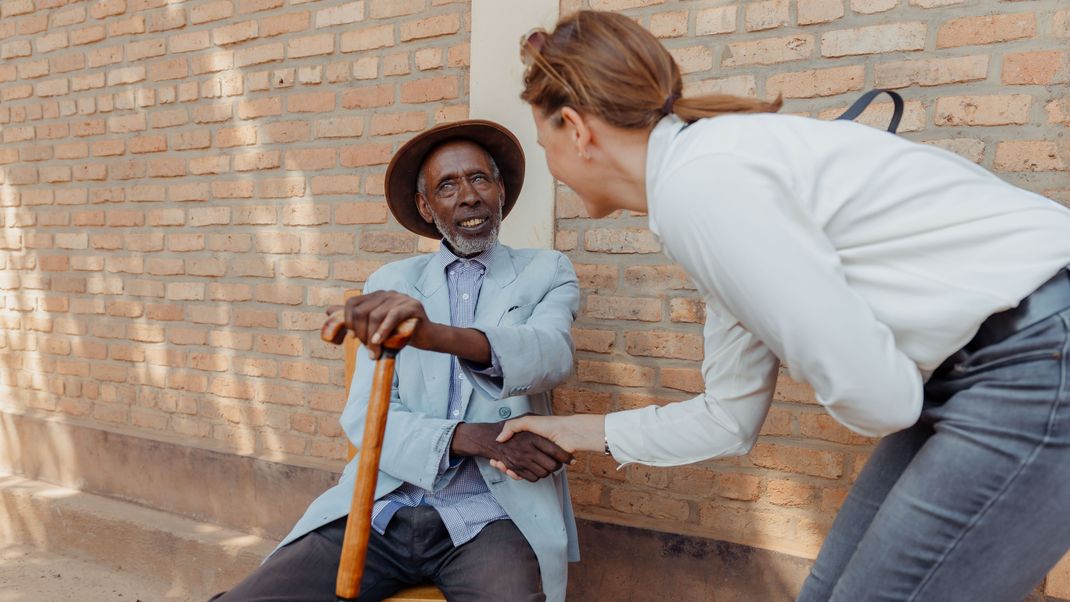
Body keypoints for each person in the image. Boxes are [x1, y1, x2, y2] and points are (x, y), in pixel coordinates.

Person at [494, 10, 1070, 602]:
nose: (552, 166)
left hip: (1039, 356)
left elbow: (883, 399)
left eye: (546, 145)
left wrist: (820, 341)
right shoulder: (701, 180)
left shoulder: (702, 186)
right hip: (991, 362)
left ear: (576, 129)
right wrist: (566, 431)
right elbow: (728, 419)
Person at [213, 120, 581, 602]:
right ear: (427, 208)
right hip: (386, 505)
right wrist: (476, 439)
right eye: (447, 186)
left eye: (479, 179)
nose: (467, 195)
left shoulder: (546, 270)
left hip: (492, 514)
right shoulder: (391, 283)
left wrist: (435, 335)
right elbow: (366, 419)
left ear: (501, 191)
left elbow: (551, 354)